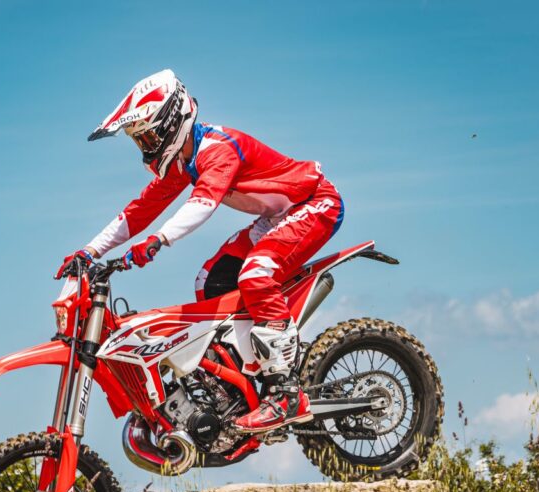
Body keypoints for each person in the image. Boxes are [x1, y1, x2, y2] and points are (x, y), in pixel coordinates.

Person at [57, 69, 344, 433]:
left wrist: (160, 239)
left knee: (256, 274)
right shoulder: (182, 162)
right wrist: (88, 251)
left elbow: (203, 204)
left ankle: (285, 392)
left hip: (314, 203)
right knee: (210, 281)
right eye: (139, 140)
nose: (145, 146)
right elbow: (139, 210)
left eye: (147, 136)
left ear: (171, 122)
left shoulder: (217, 147)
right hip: (276, 217)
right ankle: (237, 386)